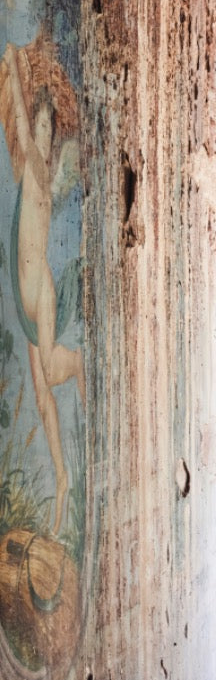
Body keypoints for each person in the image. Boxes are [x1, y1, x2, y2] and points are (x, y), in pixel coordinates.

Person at [0, 40, 84, 536]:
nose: (44, 135)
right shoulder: (31, 172)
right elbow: (18, 117)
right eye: (41, 125)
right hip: (25, 301)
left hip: (42, 295)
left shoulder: (39, 169)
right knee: (41, 399)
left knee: (53, 372)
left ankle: (80, 363)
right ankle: (62, 478)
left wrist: (14, 67)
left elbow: (19, 110)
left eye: (50, 129)